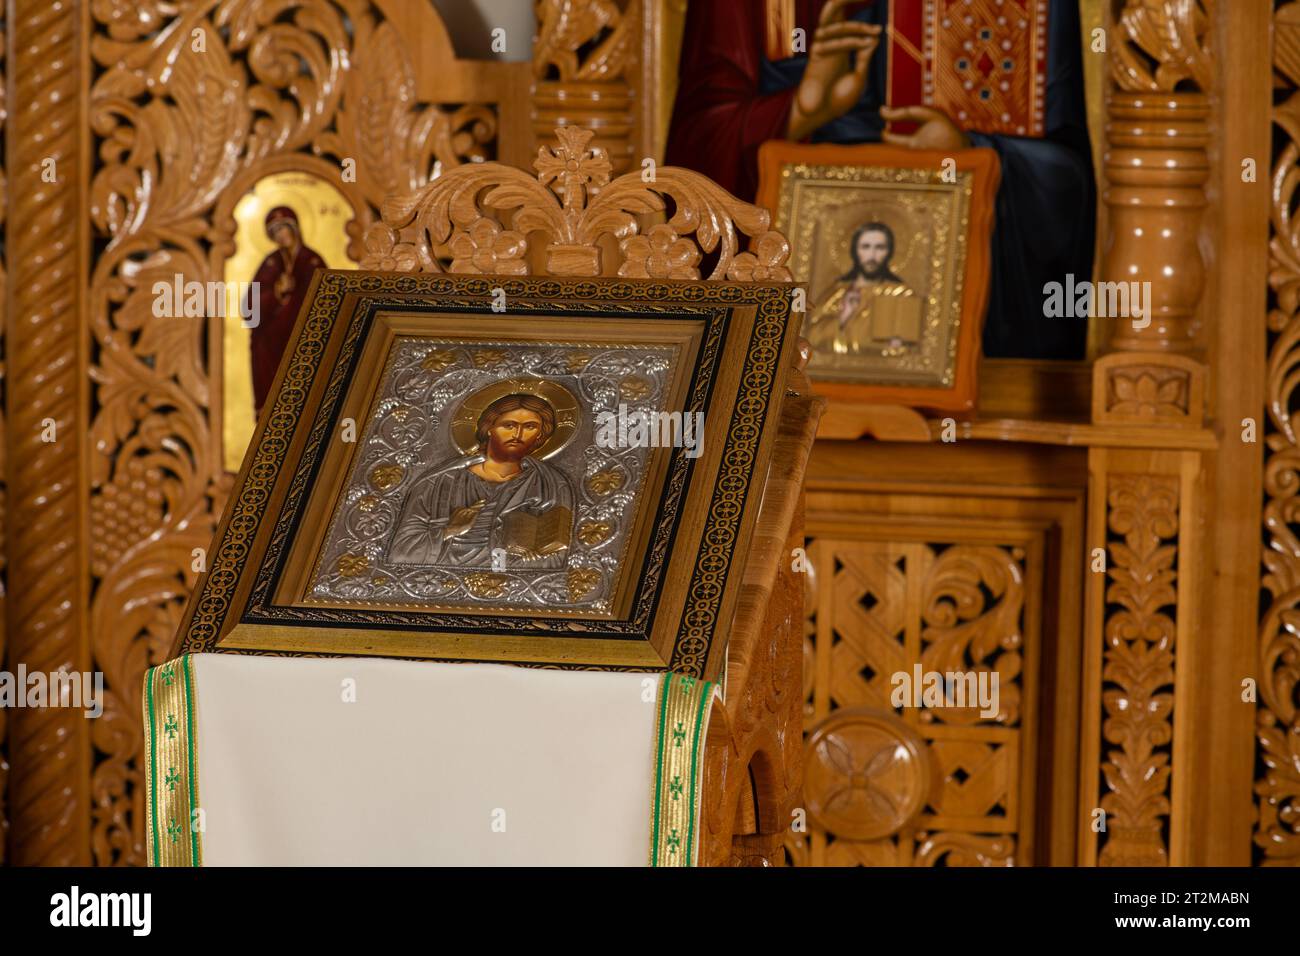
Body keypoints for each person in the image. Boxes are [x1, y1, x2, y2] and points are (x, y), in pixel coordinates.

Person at [665, 0, 1095, 359]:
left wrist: (972, 153)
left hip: (974, 351)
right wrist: (801, 111)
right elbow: (691, 167)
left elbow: (1067, 177)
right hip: (794, 357)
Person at [389, 393, 576, 569]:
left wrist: (534, 559)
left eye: (529, 427)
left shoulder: (550, 485)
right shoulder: (438, 482)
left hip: (508, 584)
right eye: (509, 425)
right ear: (489, 429)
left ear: (540, 436)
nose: (518, 434)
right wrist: (449, 530)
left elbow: (560, 555)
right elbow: (399, 554)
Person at [247, 206, 326, 413]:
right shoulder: (271, 263)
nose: (281, 236)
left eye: (284, 229)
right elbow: (249, 307)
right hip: (273, 345)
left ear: (294, 229)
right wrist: (275, 293)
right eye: (275, 232)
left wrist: (292, 299)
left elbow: (324, 301)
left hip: (303, 336)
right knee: (259, 338)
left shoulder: (312, 261)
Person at [808, 222, 919, 355]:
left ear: (889, 252)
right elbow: (811, 339)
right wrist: (844, 317)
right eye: (865, 247)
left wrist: (898, 343)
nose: (872, 255)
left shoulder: (901, 294)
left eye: (880, 247)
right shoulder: (838, 293)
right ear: (855, 250)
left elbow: (908, 349)